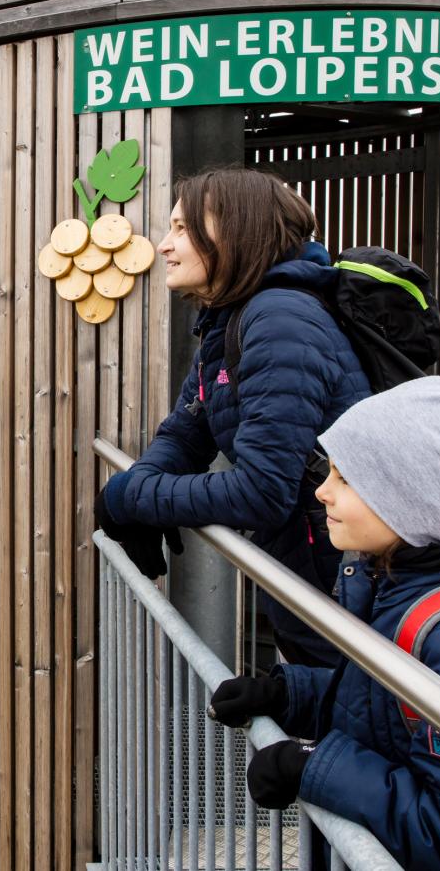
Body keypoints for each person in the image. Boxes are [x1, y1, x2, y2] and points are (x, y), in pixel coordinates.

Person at [207, 376, 440, 870]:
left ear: (413, 500)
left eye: (346, 479)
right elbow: (384, 717)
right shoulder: (398, 588)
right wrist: (287, 695)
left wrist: (313, 769)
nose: (322, 491)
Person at [95, 167, 369, 666]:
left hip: (343, 585)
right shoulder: (232, 320)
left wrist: (130, 497)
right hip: (311, 571)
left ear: (236, 231)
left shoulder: (280, 320)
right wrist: (139, 492)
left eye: (182, 229)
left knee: (341, 696)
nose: (164, 245)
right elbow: (187, 431)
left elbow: (262, 491)